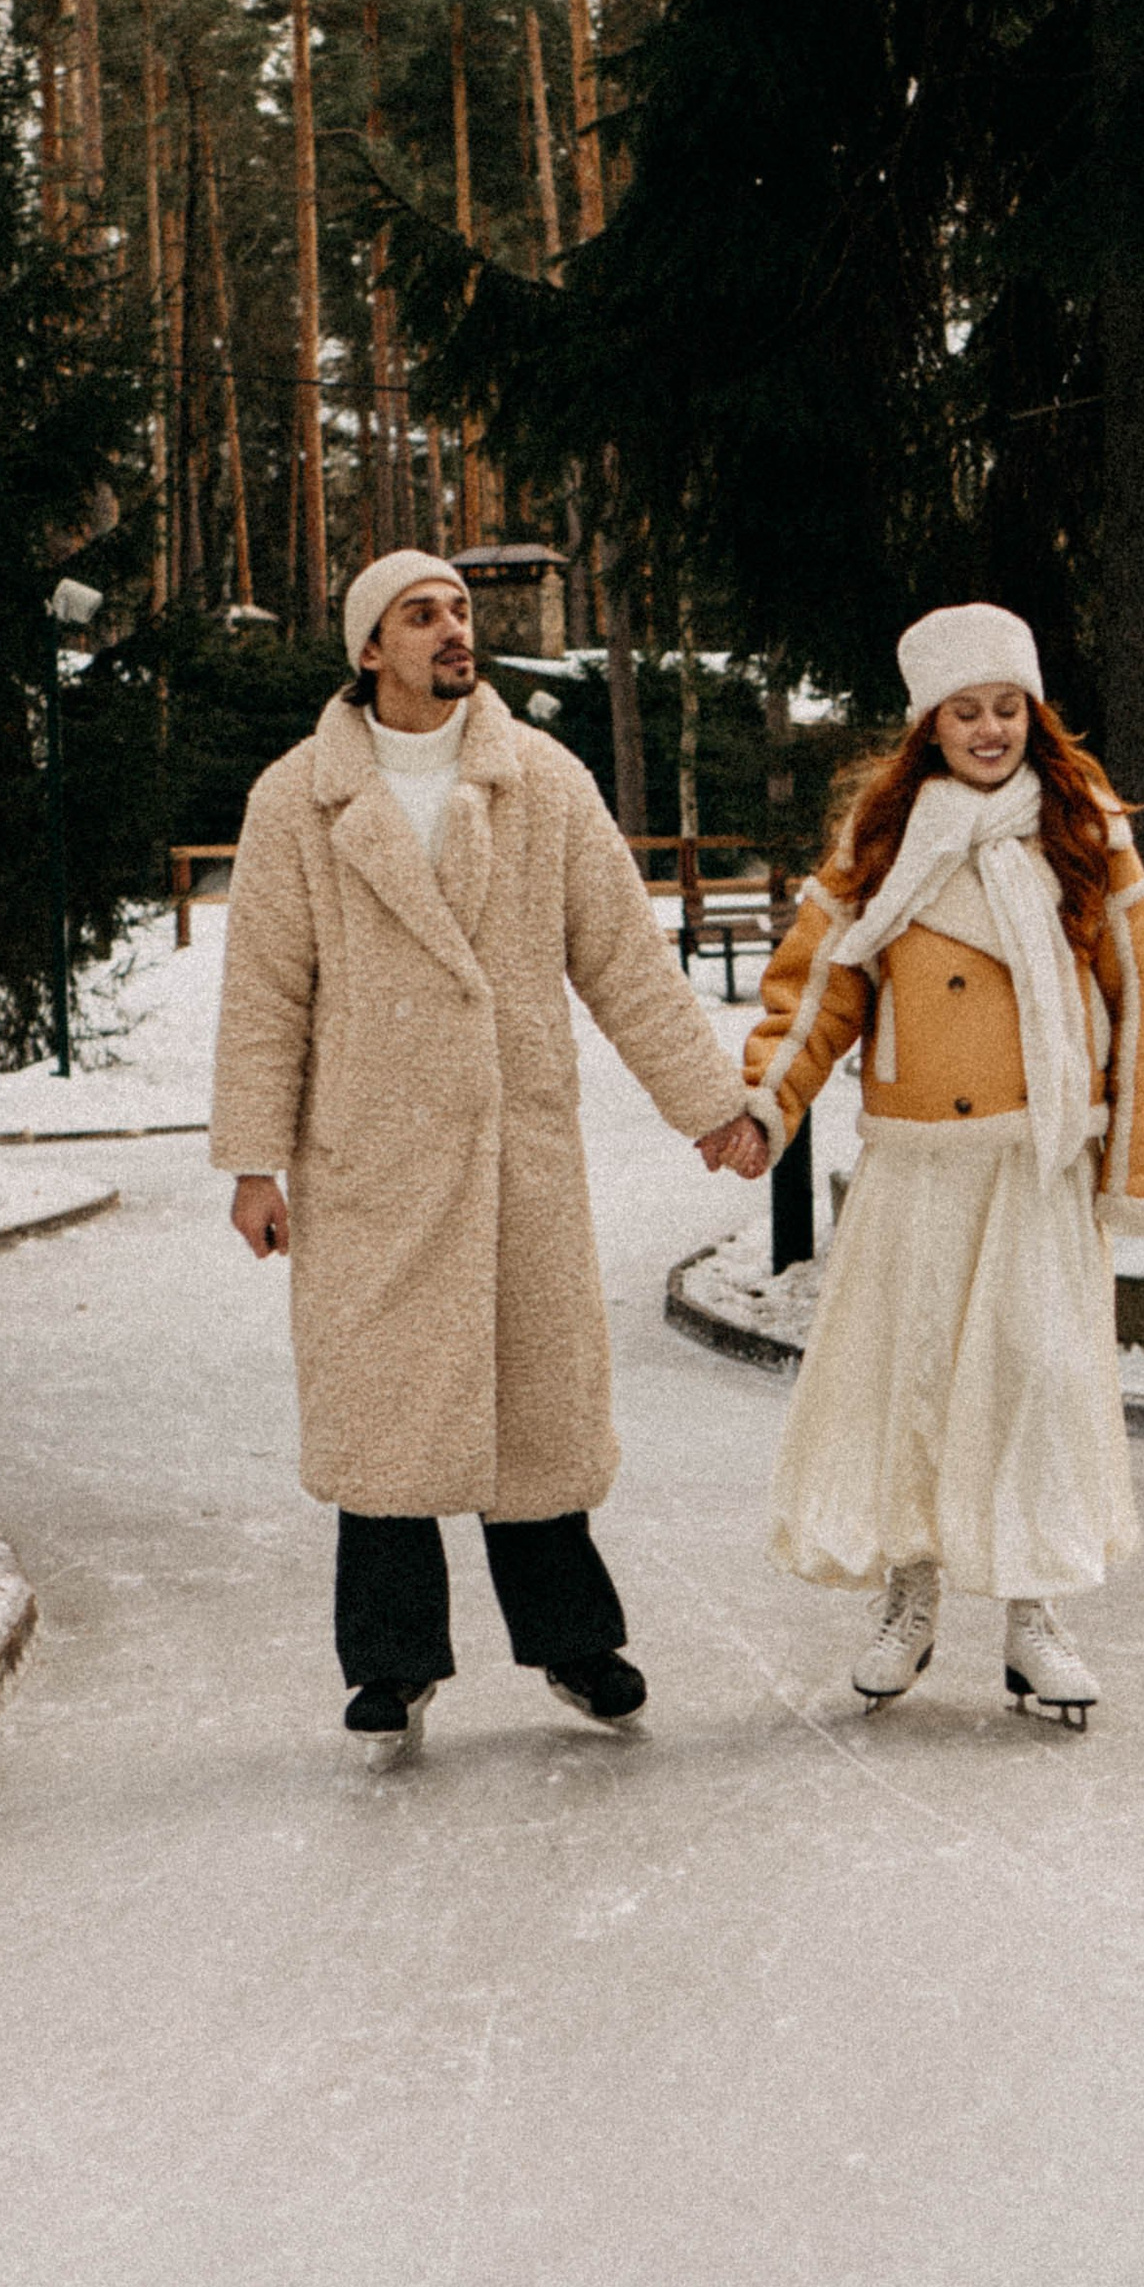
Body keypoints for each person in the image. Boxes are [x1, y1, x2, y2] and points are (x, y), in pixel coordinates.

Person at [210, 550, 766, 1765]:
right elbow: (264, 992)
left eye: (459, 610)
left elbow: (624, 962)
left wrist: (710, 1107)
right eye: (422, 616)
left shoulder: (542, 782)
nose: (453, 629)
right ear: (371, 650)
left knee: (534, 1403)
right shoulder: (297, 798)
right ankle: (391, 1662)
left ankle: (574, 1643)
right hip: (368, 1159)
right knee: (385, 1411)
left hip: (515, 1149)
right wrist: (254, 1162)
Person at [740, 603, 1144, 1727]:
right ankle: (911, 1594)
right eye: (965, 711)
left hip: (1038, 1160)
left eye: (1007, 708)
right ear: (928, 725)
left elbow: (1141, 1005)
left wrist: (1134, 1170)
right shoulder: (883, 841)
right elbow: (816, 987)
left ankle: (1035, 1615)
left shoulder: (1086, 831)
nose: (990, 730)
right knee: (915, 1381)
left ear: (1033, 714)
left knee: (1036, 1381)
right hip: (920, 1162)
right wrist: (765, 1101)